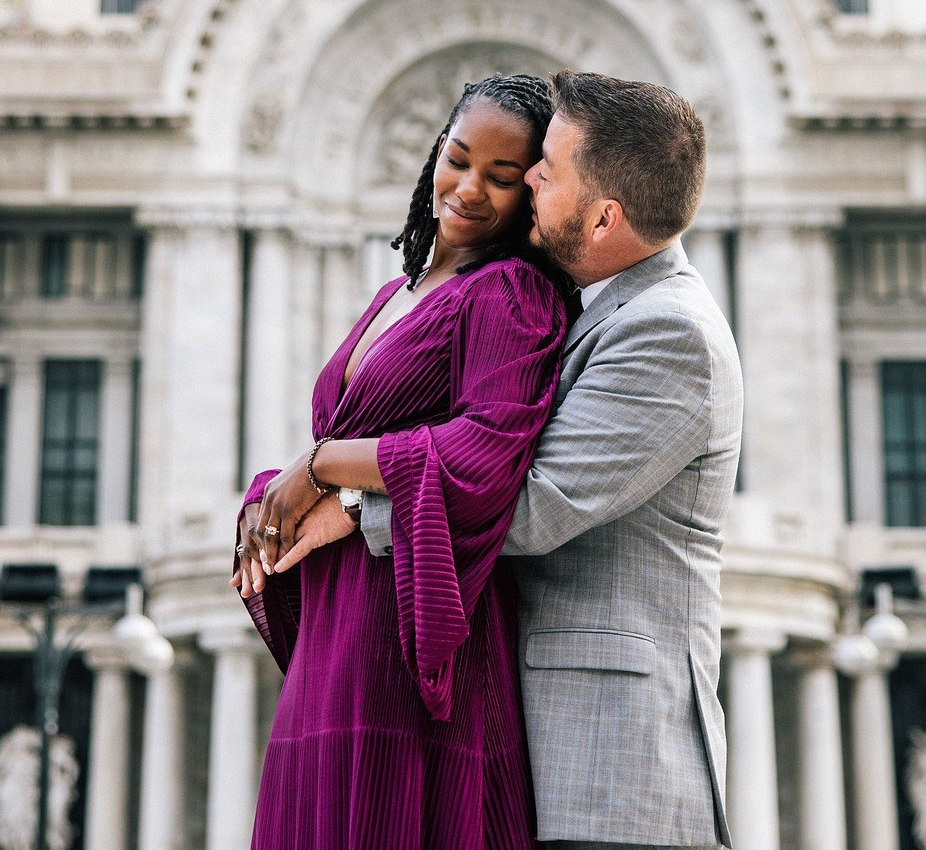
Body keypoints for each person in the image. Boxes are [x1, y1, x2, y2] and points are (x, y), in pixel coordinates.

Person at [262, 70, 744, 850]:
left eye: (541, 175)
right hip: (541, 745)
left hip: (607, 768)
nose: (525, 189)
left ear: (603, 216)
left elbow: (531, 504)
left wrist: (343, 499)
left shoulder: (668, 331)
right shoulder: (590, 307)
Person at [233, 73, 568, 849]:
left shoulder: (511, 292)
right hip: (336, 627)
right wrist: (271, 503)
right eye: (458, 158)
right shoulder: (397, 291)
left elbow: (486, 451)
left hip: (408, 621)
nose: (469, 188)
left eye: (503, 177)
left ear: (533, 195)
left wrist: (322, 466)